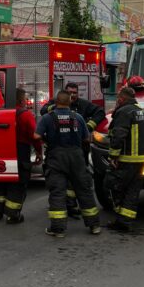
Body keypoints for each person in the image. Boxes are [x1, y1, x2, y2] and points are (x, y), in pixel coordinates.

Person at [34, 90, 101, 238]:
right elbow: (87, 138)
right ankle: (94, 225)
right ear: (70, 102)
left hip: (56, 157)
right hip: (76, 156)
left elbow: (36, 135)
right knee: (84, 190)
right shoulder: (78, 117)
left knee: (57, 192)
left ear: (55, 102)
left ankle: (58, 229)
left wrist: (46, 140)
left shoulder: (47, 118)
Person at [0, 88, 43, 224]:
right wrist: (39, 151)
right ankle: (12, 215)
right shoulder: (26, 115)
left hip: (1, 151)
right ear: (21, 100)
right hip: (20, 151)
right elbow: (34, 136)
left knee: (0, 181)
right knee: (18, 184)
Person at [105, 87, 144, 232]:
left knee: (114, 185)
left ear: (122, 99)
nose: (117, 100)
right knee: (133, 190)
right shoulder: (142, 110)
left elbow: (119, 134)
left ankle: (120, 217)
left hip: (127, 158)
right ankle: (125, 221)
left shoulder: (124, 112)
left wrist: (113, 156)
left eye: (118, 97)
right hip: (142, 159)